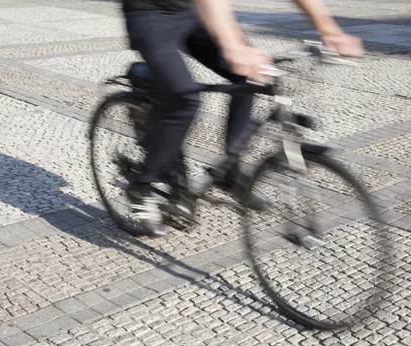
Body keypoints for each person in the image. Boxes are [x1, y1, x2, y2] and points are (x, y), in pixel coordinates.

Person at [122, 0, 363, 237]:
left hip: (192, 11)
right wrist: (233, 44)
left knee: (249, 79)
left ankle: (230, 173)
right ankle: (141, 186)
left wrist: (329, 30)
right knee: (186, 101)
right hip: (149, 14)